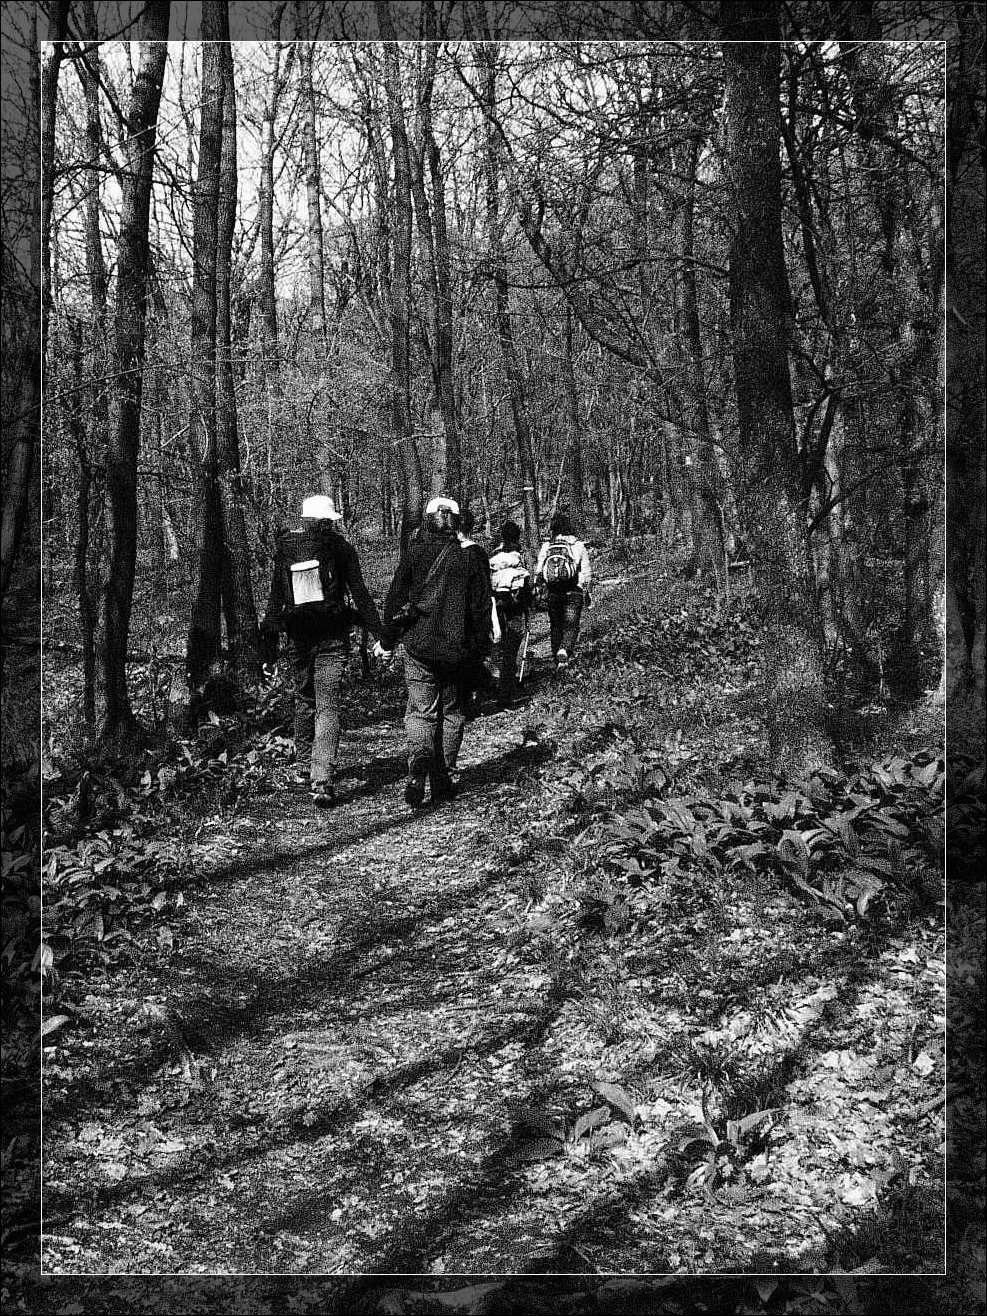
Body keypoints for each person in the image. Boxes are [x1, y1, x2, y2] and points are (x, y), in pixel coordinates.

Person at [260, 494, 383, 808]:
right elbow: (360, 593)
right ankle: (322, 779)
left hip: (298, 638)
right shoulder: (340, 548)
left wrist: (268, 649)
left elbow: (275, 602)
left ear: (305, 520)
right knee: (328, 707)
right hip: (332, 637)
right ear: (327, 521)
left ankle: (304, 763)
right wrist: (381, 635)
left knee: (304, 698)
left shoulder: (285, 550)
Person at [375, 495, 491, 807]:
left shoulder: (413, 554)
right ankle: (444, 779)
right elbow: (481, 609)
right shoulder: (470, 558)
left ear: (427, 521)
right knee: (452, 713)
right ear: (456, 522)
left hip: (419, 647)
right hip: (456, 650)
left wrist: (387, 641)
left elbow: (394, 602)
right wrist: (480, 650)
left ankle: (418, 765)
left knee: (420, 711)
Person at [534, 511, 592, 669]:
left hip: (553, 592)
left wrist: (539, 588)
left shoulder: (547, 546)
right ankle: (565, 650)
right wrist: (587, 591)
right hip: (574, 590)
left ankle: (557, 662)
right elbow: (586, 572)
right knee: (571, 625)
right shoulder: (578, 545)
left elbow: (539, 571)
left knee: (556, 626)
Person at [457, 505, 497, 718]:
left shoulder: (449, 552)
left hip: (455, 614)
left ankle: (463, 702)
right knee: (473, 656)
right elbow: (484, 588)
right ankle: (470, 700)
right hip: (474, 614)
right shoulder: (478, 552)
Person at [488, 520, 532, 706]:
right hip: (515, 606)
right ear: (518, 536)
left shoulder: (493, 556)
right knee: (511, 649)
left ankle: (494, 684)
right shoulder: (520, 555)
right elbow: (527, 581)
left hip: (496, 604)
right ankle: (506, 692)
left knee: (497, 646)